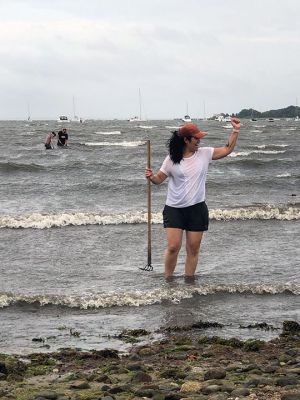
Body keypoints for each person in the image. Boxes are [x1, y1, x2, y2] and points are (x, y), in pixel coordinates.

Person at [145, 118, 241, 281]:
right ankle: (168, 281)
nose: (199, 141)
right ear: (186, 140)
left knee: (193, 249)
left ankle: (189, 282)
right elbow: (159, 179)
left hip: (197, 209)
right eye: (196, 138)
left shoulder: (204, 154)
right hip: (174, 208)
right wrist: (151, 176)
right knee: (173, 247)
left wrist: (235, 131)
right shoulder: (171, 159)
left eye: (199, 138)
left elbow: (227, 149)